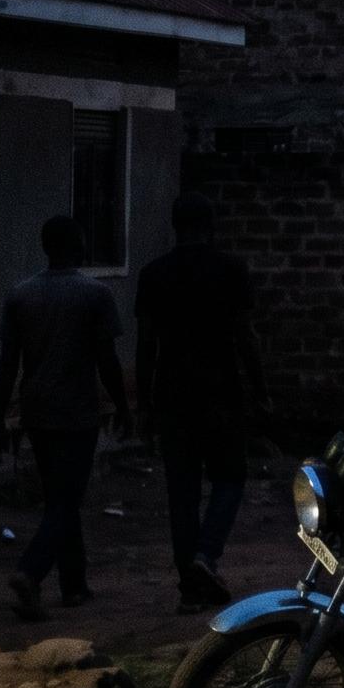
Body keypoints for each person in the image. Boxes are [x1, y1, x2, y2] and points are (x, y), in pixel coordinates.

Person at [0, 216, 129, 620]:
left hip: (37, 411)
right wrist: (122, 406)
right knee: (67, 500)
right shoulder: (95, 294)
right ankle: (31, 573)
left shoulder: (21, 294)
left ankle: (74, 585)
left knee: (59, 499)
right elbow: (107, 359)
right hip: (78, 412)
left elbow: (6, 363)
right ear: (79, 246)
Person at [134, 193, 264, 611]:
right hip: (220, 392)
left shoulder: (154, 274)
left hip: (172, 396)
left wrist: (142, 403)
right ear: (211, 224)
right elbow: (245, 336)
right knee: (230, 478)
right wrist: (260, 389)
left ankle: (190, 589)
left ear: (175, 226)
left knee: (182, 492)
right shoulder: (230, 270)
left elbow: (145, 344)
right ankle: (205, 555)